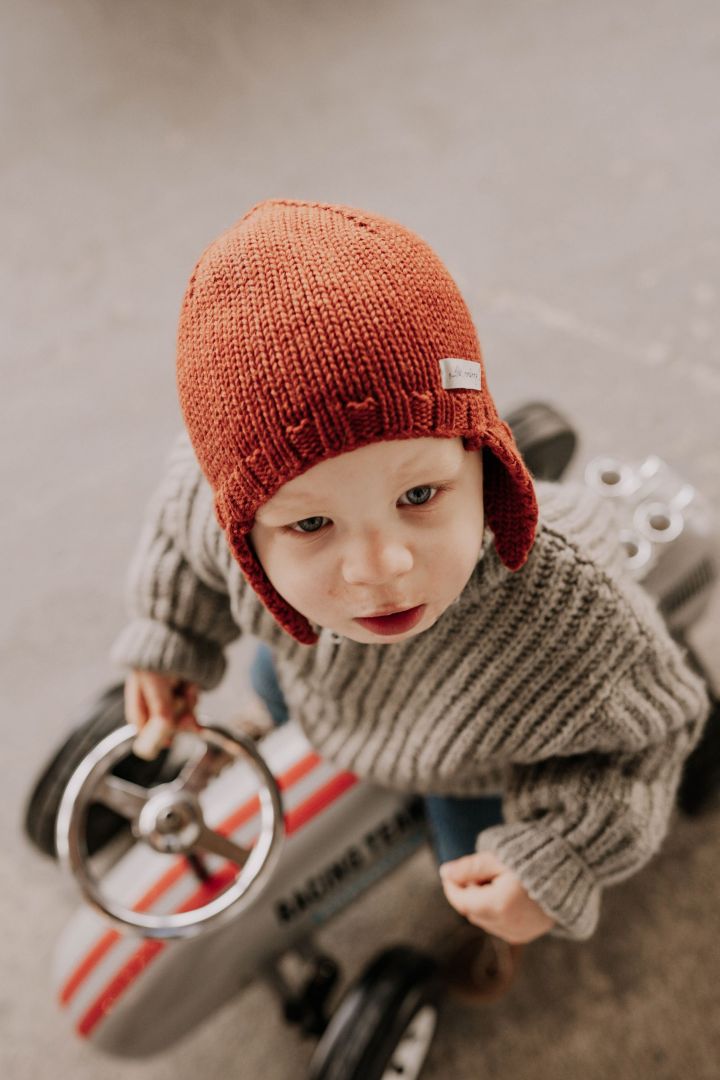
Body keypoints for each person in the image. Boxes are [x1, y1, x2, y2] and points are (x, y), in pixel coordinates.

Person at [111, 198, 709, 996]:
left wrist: (559, 860)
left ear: (484, 458)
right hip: (316, 672)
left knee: (468, 866)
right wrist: (168, 638)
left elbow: (648, 736)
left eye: (422, 494)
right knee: (266, 685)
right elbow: (178, 547)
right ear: (240, 524)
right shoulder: (207, 506)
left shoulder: (568, 608)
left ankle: (492, 931)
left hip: (474, 752)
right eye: (313, 522)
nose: (382, 566)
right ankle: (297, 720)